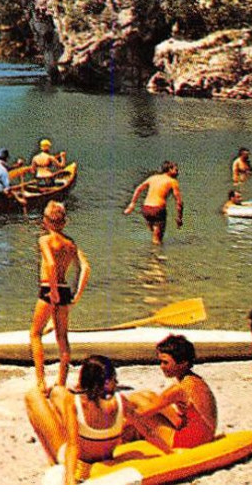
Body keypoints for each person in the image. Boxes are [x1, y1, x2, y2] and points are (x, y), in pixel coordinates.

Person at [25, 355, 164, 485]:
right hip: (105, 456)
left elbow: (73, 446)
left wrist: (69, 478)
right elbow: (148, 432)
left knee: (33, 396)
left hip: (79, 462)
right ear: (108, 381)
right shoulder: (121, 402)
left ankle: (52, 460)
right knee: (57, 392)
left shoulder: (74, 403)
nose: (116, 382)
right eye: (114, 378)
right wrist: (169, 452)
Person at [31, 201, 90, 391]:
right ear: (64, 222)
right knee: (62, 338)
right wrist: (77, 295)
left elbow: (50, 265)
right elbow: (86, 268)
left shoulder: (45, 240)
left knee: (35, 334)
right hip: (64, 289)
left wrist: (53, 291)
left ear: (46, 221)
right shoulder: (71, 244)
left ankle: (41, 383)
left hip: (50, 288)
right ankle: (61, 383)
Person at [126, 334, 219, 450]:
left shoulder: (178, 389)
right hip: (204, 433)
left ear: (183, 363)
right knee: (146, 395)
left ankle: (123, 439)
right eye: (160, 362)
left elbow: (139, 414)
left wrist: (112, 428)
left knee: (136, 402)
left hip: (190, 441)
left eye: (166, 362)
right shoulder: (194, 380)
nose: (161, 367)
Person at [123, 162, 184, 245]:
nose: (178, 172)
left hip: (146, 209)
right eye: (176, 170)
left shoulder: (153, 178)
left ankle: (150, 254)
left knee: (154, 232)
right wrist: (179, 218)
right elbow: (179, 202)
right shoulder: (172, 181)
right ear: (169, 170)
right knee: (157, 240)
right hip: (158, 210)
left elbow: (139, 189)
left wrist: (132, 204)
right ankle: (156, 255)